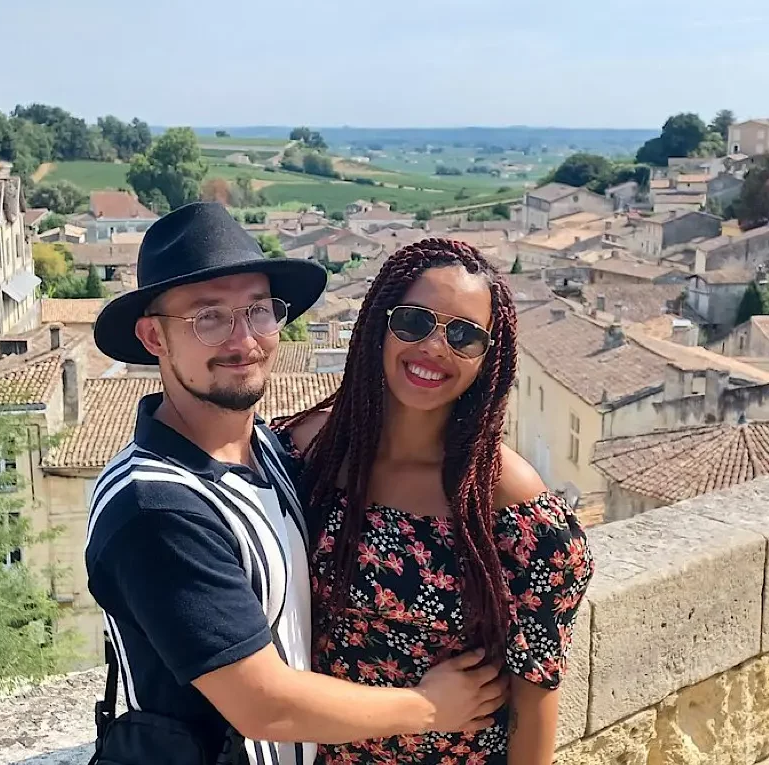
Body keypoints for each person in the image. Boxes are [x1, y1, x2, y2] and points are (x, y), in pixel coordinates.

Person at [85, 204, 507, 765]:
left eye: (258, 312)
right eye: (208, 318)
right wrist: (430, 708)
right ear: (152, 336)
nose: (244, 340)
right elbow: (261, 704)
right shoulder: (156, 507)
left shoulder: (266, 451)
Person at [276, 238, 595, 765]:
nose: (435, 347)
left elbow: (534, 705)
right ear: (380, 324)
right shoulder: (306, 457)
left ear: (488, 359)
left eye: (465, 335)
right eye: (414, 322)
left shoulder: (512, 510)